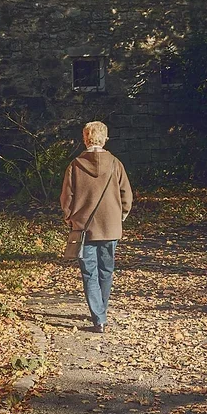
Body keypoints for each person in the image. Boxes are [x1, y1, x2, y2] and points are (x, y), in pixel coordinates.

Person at [60, 121, 133, 333]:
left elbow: (66, 197)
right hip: (110, 227)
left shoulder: (75, 165)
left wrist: (69, 218)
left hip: (84, 227)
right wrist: (120, 217)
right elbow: (127, 196)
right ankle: (101, 312)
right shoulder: (115, 163)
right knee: (106, 271)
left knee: (89, 273)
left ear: (85, 138)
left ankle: (99, 318)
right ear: (104, 139)